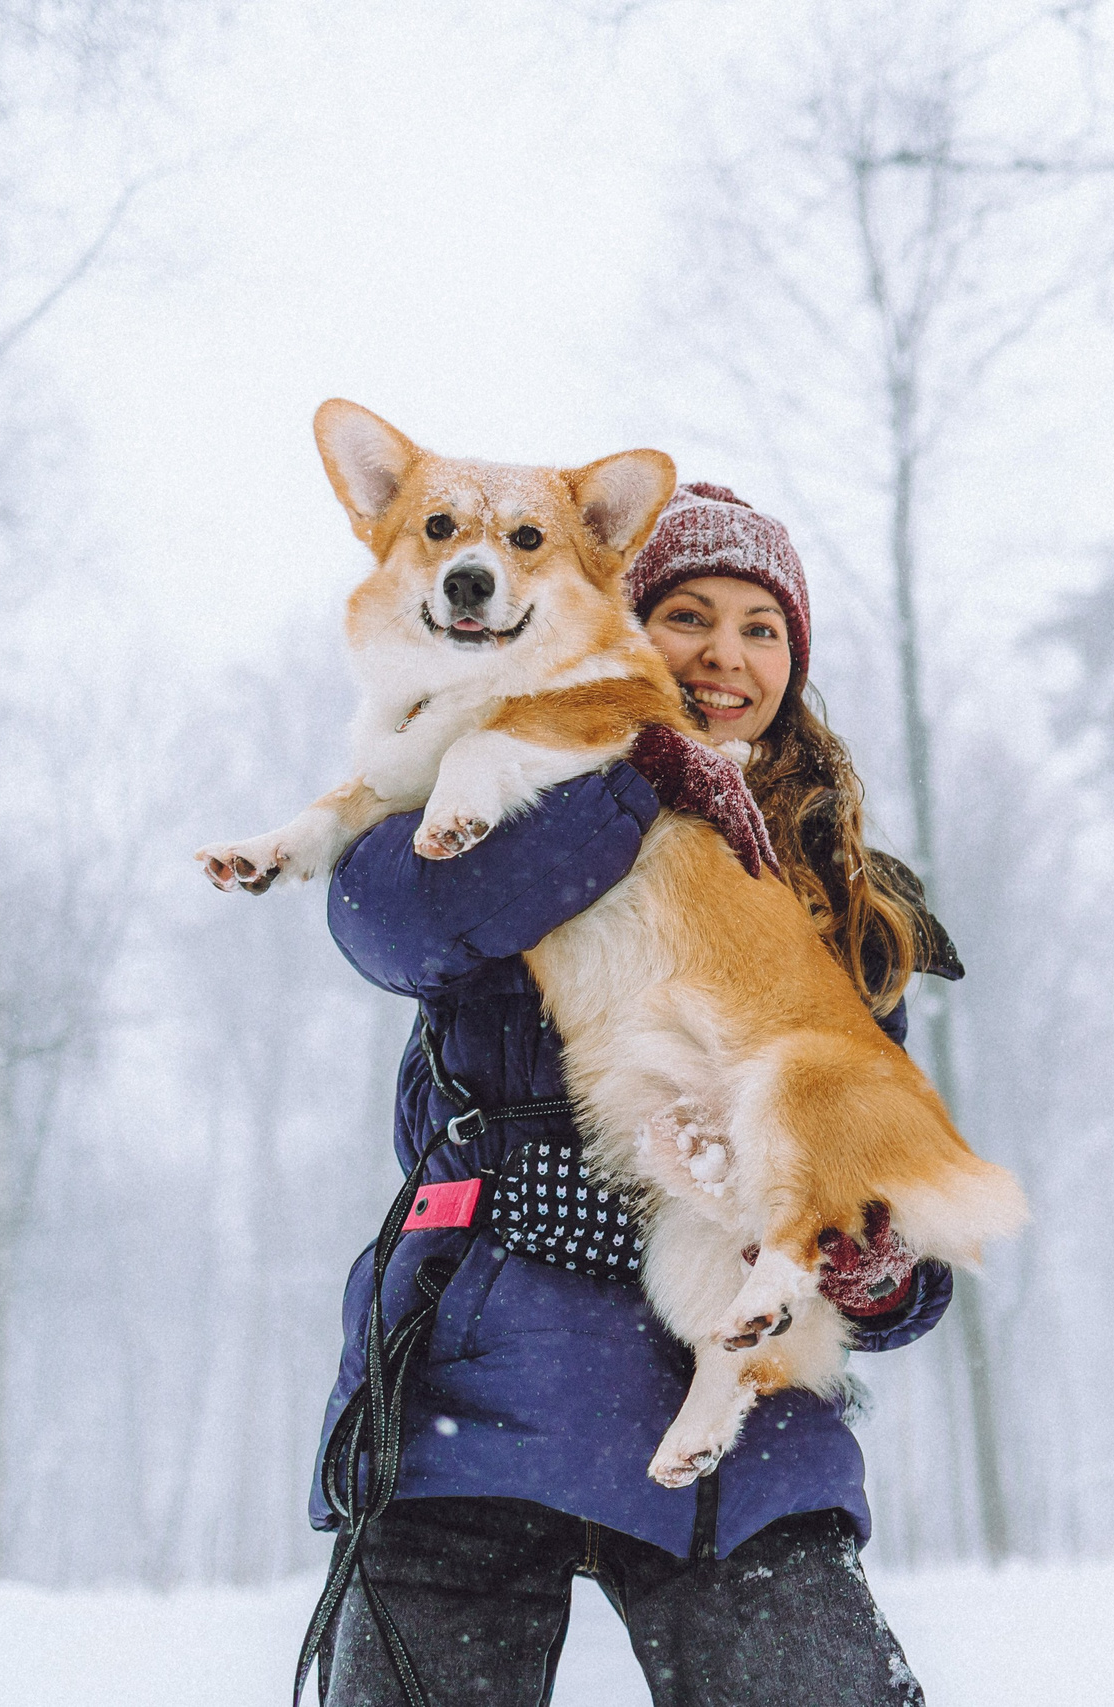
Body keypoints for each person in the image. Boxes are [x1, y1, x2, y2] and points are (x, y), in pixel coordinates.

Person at [312, 483, 962, 1707]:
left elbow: (890, 1188)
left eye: (761, 628)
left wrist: (872, 1262)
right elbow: (400, 921)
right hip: (480, 1386)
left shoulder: (841, 895)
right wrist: (638, 761)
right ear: (605, 615)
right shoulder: (474, 780)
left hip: (739, 1415)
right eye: (688, 614)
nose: (725, 653)